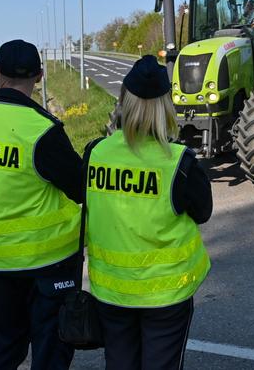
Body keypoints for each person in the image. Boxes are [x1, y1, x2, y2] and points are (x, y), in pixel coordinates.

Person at [0, 39, 84, 370]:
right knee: (50, 353)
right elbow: (80, 187)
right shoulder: (41, 131)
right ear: (40, 75)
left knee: (2, 348)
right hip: (48, 261)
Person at [85, 55, 213, 370]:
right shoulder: (180, 162)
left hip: (111, 291)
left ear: (123, 102)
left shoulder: (94, 153)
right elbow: (203, 212)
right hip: (166, 295)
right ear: (165, 106)